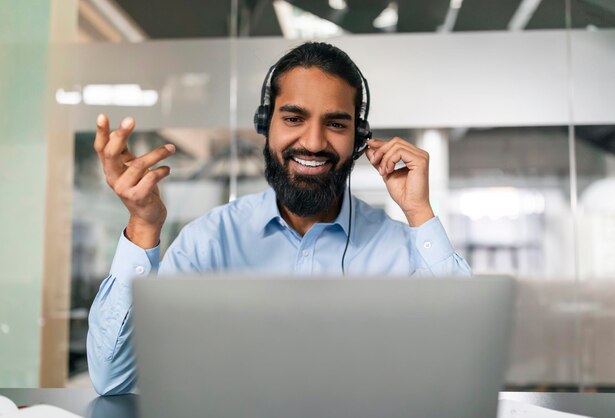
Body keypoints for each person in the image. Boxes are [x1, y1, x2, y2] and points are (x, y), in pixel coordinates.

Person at [87, 42, 471, 395]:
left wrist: (420, 213)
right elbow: (114, 379)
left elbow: (463, 366)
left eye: (336, 124)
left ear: (359, 139)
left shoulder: (401, 249)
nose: (314, 142)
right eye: (293, 119)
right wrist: (143, 226)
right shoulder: (209, 241)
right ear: (265, 125)